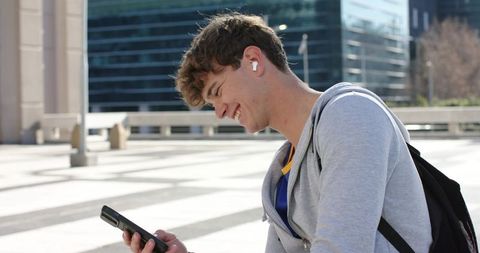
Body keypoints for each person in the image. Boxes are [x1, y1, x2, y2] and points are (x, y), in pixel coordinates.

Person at [122, 12, 433, 253]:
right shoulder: (281, 176)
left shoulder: (351, 115)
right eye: (211, 104)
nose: (220, 112)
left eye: (217, 92)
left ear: (254, 61)